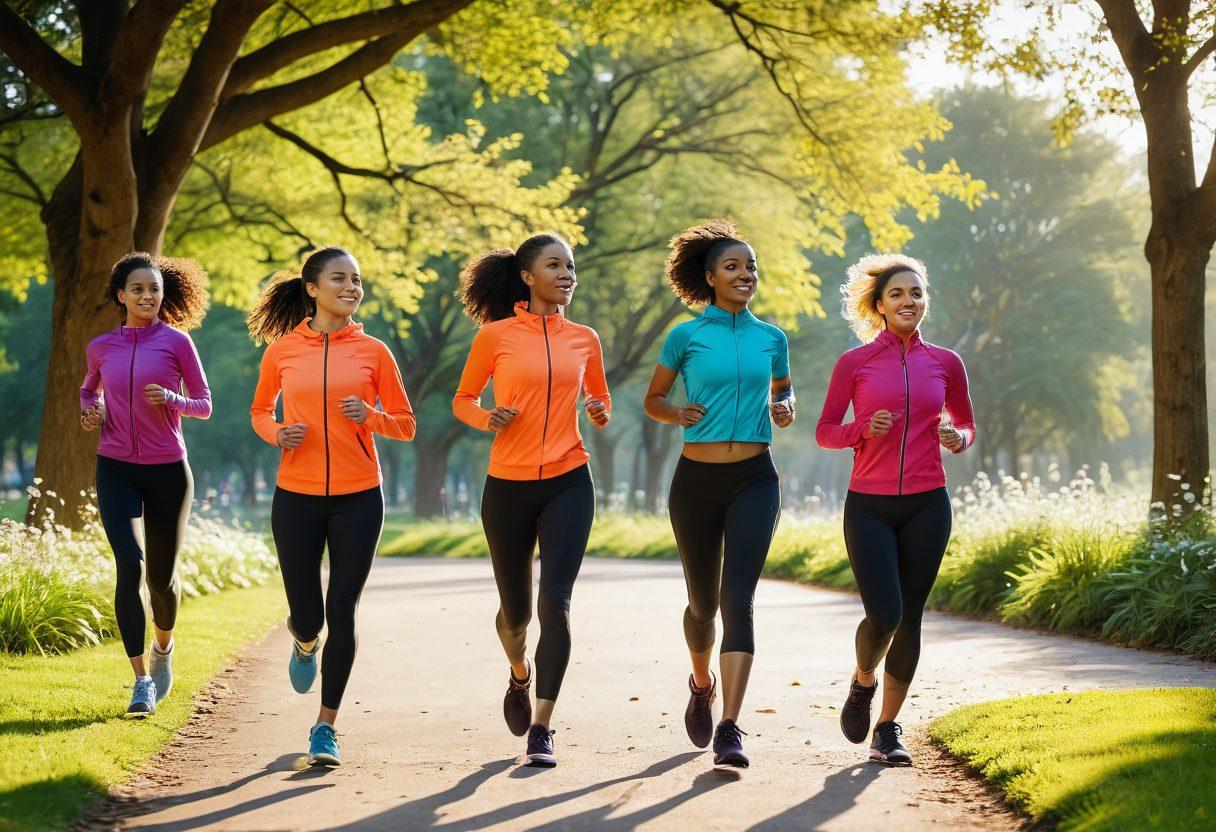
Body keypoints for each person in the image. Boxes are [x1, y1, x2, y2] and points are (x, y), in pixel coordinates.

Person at [248, 247, 416, 766]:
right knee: (309, 614)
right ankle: (303, 642)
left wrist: (369, 415)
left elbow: (406, 423)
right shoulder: (280, 353)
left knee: (343, 609)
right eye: (339, 278)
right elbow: (258, 411)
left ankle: (326, 727)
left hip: (359, 495)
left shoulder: (374, 352)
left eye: (357, 279)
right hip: (295, 495)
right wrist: (279, 432)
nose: (351, 287)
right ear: (312, 289)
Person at [452, 233, 611, 767]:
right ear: (527, 276)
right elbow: (463, 398)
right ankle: (519, 672)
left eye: (571, 265)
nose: (566, 273)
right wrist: (484, 417)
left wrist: (598, 410)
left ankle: (542, 728)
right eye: (554, 265)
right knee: (517, 614)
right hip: (508, 485)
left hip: (569, 478)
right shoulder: (495, 337)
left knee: (556, 604)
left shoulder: (585, 337)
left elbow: (599, 393)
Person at [642, 220, 794, 768]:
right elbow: (653, 399)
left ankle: (730, 725)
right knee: (703, 605)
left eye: (750, 266)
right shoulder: (686, 336)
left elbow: (783, 388)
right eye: (733, 266)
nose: (745, 274)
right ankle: (701, 681)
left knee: (738, 599)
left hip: (755, 477)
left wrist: (784, 407)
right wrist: (676, 411)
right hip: (696, 480)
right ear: (710, 278)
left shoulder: (771, 338)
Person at [816, 253, 976, 766]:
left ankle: (887, 728)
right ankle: (863, 683)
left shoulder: (946, 363)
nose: (910, 302)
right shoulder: (854, 363)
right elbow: (825, 431)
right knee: (883, 613)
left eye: (917, 294)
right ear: (880, 306)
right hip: (869, 505)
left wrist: (958, 437)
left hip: (929, 503)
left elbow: (967, 424)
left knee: (910, 619)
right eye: (898, 295)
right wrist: (863, 429)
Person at [81, 252, 212, 718]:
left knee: (161, 578)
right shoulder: (101, 347)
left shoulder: (177, 342)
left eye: (154, 289)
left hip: (167, 469)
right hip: (114, 465)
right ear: (121, 295)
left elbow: (204, 403)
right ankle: (140, 682)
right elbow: (87, 389)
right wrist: (90, 410)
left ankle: (163, 647)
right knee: (129, 565)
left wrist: (173, 399)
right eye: (137, 289)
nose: (147, 296)